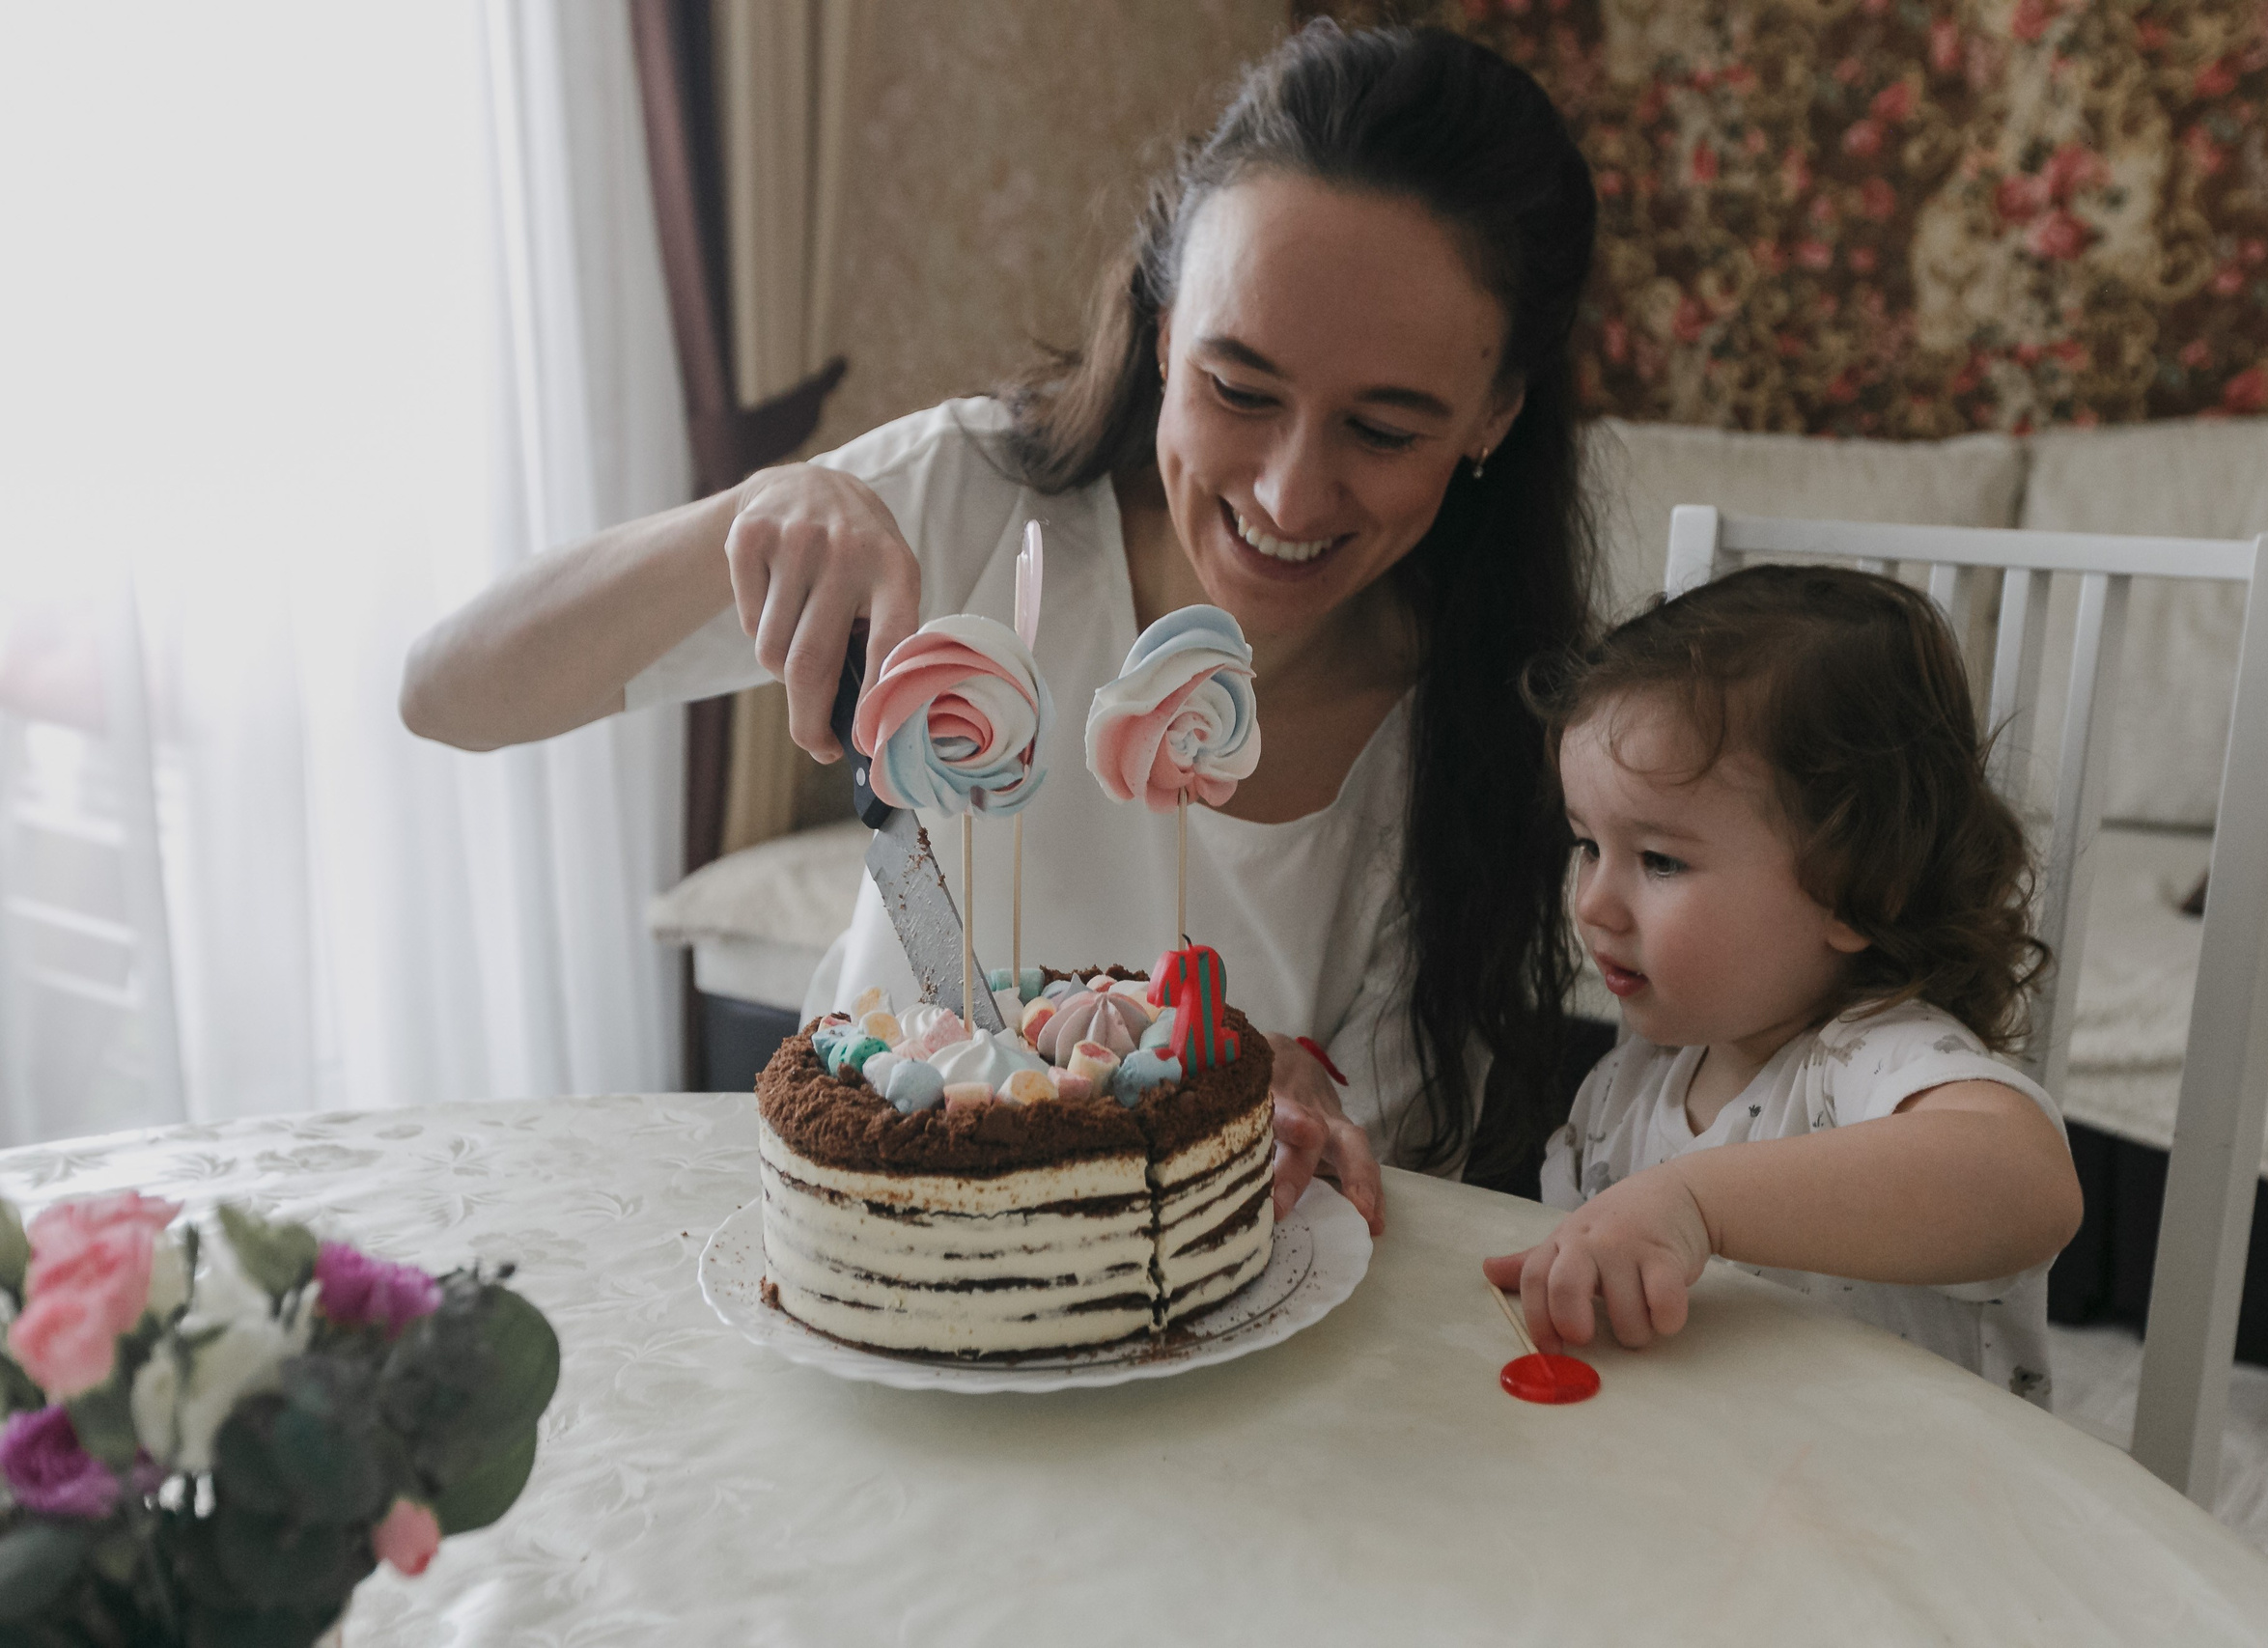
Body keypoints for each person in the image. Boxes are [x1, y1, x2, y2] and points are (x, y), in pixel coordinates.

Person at [399, 22, 1602, 1232]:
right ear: (1161, 324)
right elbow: (447, 690)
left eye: (1383, 430)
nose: (1288, 495)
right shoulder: (967, 502)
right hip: (854, 1270)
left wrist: (1297, 1125)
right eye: (1237, 390)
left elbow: (1371, 1205)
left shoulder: (1488, 728)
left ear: (1495, 412)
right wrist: (759, 506)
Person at [1483, 566, 2085, 1404]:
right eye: (1587, 844)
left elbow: (2028, 1186)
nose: (1592, 902)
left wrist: (1698, 1203)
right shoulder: (1624, 1090)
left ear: (1856, 889)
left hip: (1907, 1518)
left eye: (1659, 859)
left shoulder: (1868, 1058)